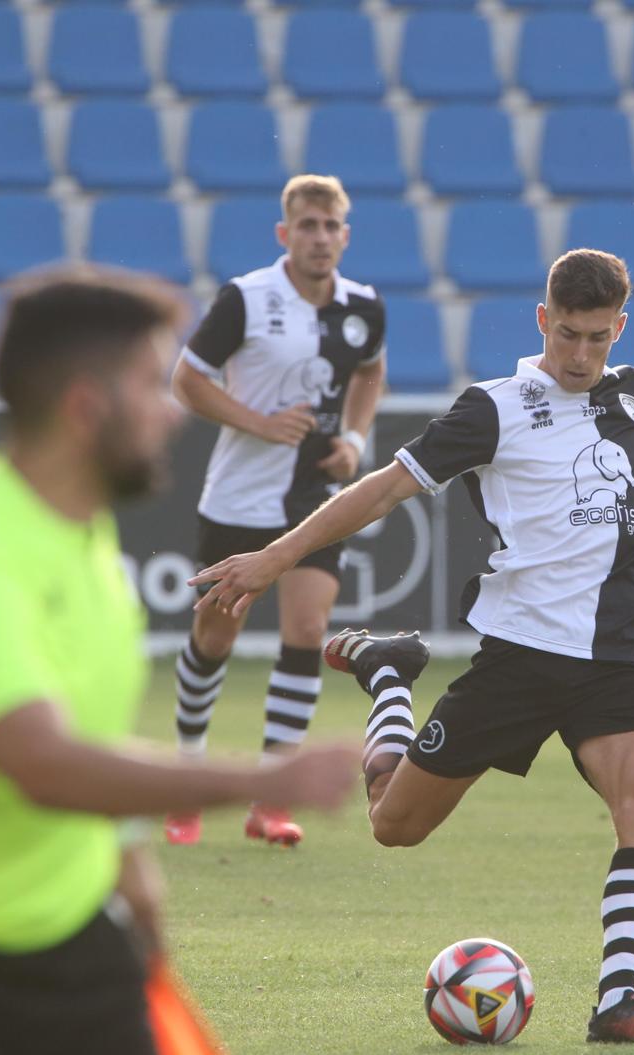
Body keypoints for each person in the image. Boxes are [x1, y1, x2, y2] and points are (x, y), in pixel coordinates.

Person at [190, 248, 634, 1044]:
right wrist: (275, 557)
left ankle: (618, 1001)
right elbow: (383, 486)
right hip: (517, 658)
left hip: (617, 658)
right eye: (568, 335)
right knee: (395, 824)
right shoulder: (493, 408)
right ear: (542, 322)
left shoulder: (633, 398)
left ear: (619, 328)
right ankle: (389, 677)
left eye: (598, 338)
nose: (582, 354)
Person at [0, 268, 361, 1055]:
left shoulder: (86, 536)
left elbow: (94, 741)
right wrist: (267, 776)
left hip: (68, 933)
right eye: (148, 383)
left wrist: (137, 880)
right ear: (82, 407)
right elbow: (45, 763)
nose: (173, 413)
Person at [165, 174, 386, 849]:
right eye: (308, 226)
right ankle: (187, 781)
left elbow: (371, 371)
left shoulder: (364, 307)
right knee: (215, 636)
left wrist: (352, 439)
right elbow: (186, 380)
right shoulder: (247, 298)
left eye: (331, 226)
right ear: (284, 234)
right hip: (239, 496)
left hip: (313, 500)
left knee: (308, 626)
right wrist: (258, 423)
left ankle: (271, 797)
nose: (320, 238)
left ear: (345, 235)